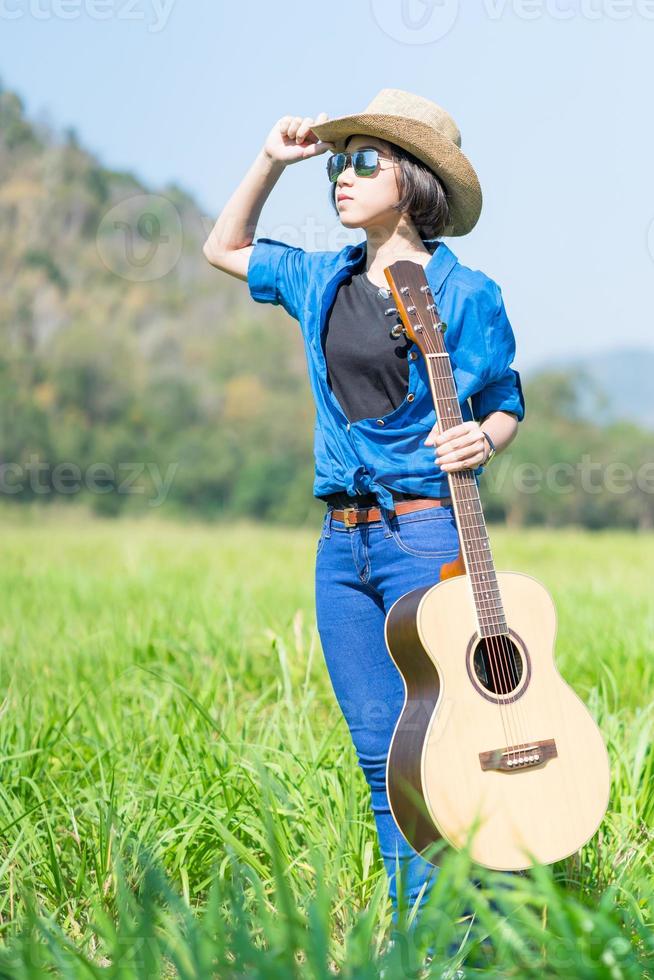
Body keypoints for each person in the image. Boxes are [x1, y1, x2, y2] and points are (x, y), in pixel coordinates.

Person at [203, 88, 525, 956]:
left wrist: (480, 437)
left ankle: (447, 939)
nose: (340, 176)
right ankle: (424, 942)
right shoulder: (320, 276)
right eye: (338, 162)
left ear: (412, 179)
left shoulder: (466, 292)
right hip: (340, 548)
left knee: (437, 753)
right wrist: (272, 158)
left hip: (426, 535)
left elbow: (505, 401)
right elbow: (222, 246)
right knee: (383, 761)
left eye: (361, 161)